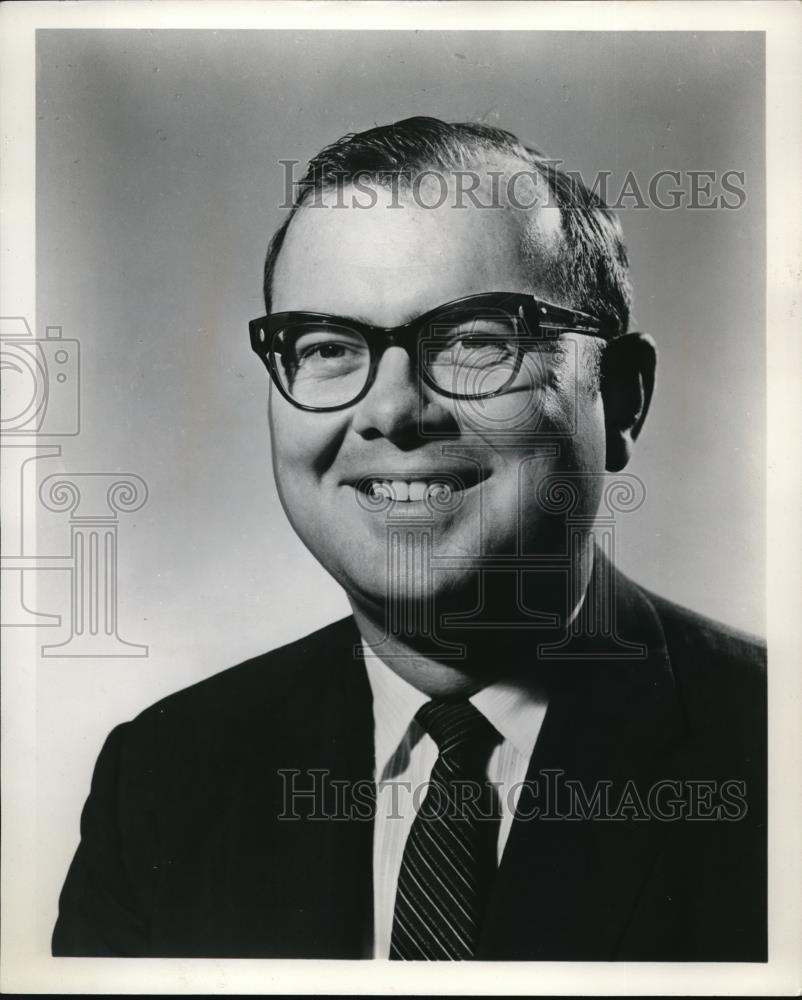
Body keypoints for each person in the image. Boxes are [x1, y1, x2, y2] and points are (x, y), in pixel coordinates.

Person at [52, 117, 766, 961]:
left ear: (621, 396)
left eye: (472, 341)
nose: (392, 411)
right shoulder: (163, 778)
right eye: (327, 346)